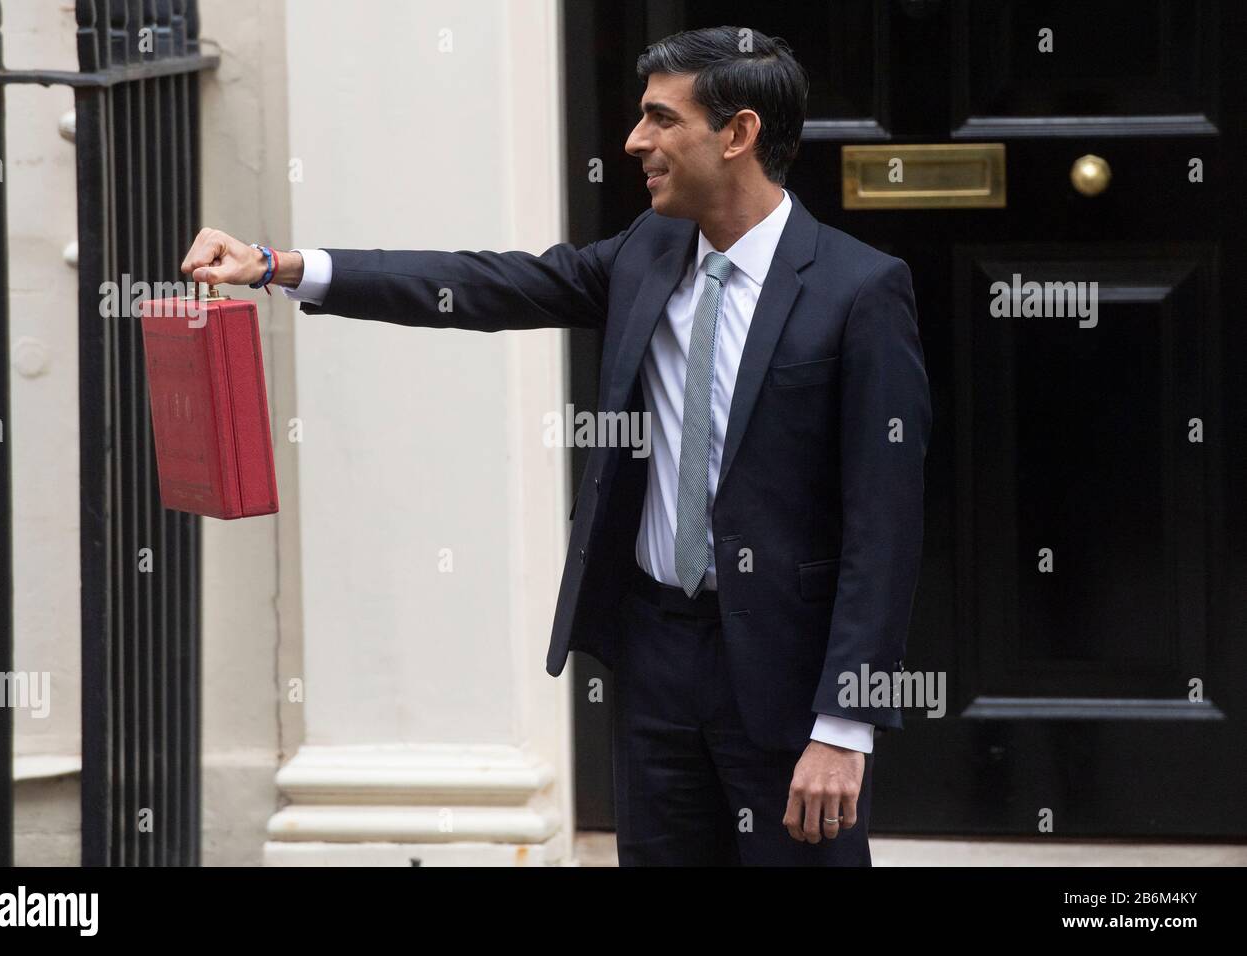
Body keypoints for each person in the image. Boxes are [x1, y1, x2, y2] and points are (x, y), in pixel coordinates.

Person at [181, 25, 931, 866]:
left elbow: (885, 530)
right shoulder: (646, 254)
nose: (634, 142)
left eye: (660, 119)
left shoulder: (859, 290)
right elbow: (482, 283)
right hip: (655, 652)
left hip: (788, 676)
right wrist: (282, 264)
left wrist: (844, 725)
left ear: (739, 133)